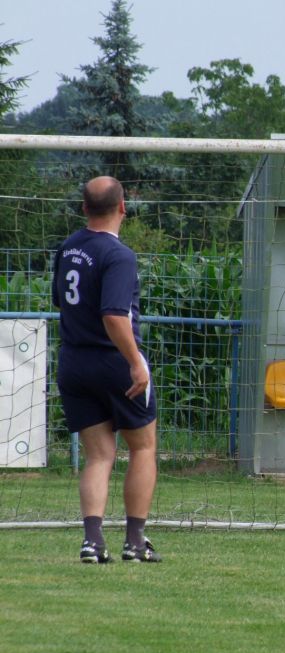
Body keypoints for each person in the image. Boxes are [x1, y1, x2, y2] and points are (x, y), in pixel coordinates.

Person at [52, 176, 161, 563]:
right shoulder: (119, 255)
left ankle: (93, 542)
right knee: (143, 447)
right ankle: (135, 541)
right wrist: (135, 363)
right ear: (123, 207)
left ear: (83, 208)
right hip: (112, 361)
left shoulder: (67, 248)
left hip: (73, 362)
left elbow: (64, 304)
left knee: (99, 455)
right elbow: (115, 316)